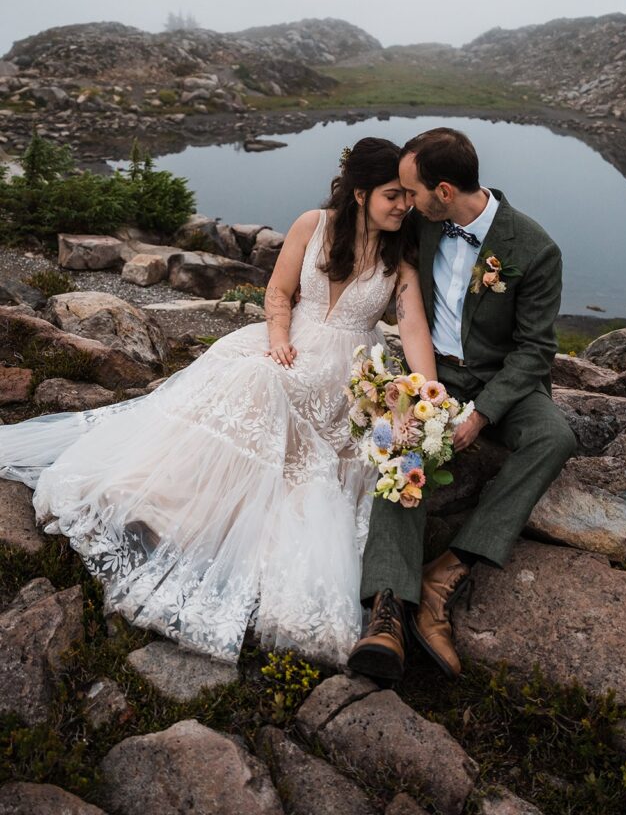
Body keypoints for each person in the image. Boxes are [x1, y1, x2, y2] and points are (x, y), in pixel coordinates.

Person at [0, 137, 439, 668]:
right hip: (287, 345)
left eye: (406, 197)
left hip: (347, 377)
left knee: (294, 434)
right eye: (393, 195)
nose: (403, 205)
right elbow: (277, 293)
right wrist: (278, 339)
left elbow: (413, 328)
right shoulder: (313, 225)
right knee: (254, 380)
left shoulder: (401, 257)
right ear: (361, 192)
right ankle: (170, 509)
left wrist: (425, 395)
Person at [348, 127, 576, 682]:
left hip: (504, 380)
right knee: (400, 439)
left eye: (411, 191)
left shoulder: (535, 247)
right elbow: (363, 227)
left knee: (556, 437)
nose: (404, 201)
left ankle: (446, 573)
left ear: (443, 191)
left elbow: (535, 350)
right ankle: (387, 611)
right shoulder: (421, 226)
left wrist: (482, 414)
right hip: (437, 372)